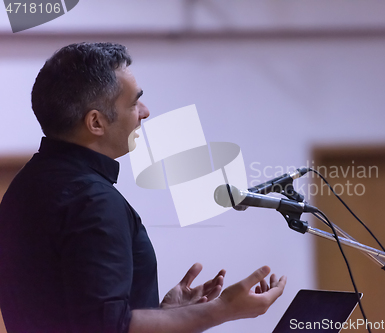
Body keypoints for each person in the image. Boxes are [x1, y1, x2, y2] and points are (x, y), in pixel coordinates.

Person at [0, 42, 286, 333]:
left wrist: (164, 313)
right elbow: (107, 327)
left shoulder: (23, 188)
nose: (145, 112)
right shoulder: (93, 200)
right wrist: (223, 309)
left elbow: (72, 312)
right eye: (134, 103)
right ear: (96, 122)